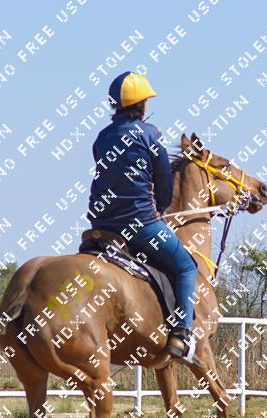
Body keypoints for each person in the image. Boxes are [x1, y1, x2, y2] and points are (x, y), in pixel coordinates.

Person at [87, 71, 198, 360]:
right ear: (141, 104)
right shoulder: (150, 134)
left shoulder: (102, 137)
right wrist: (161, 209)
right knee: (187, 267)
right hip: (140, 224)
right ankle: (182, 334)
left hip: (100, 225)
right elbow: (164, 181)